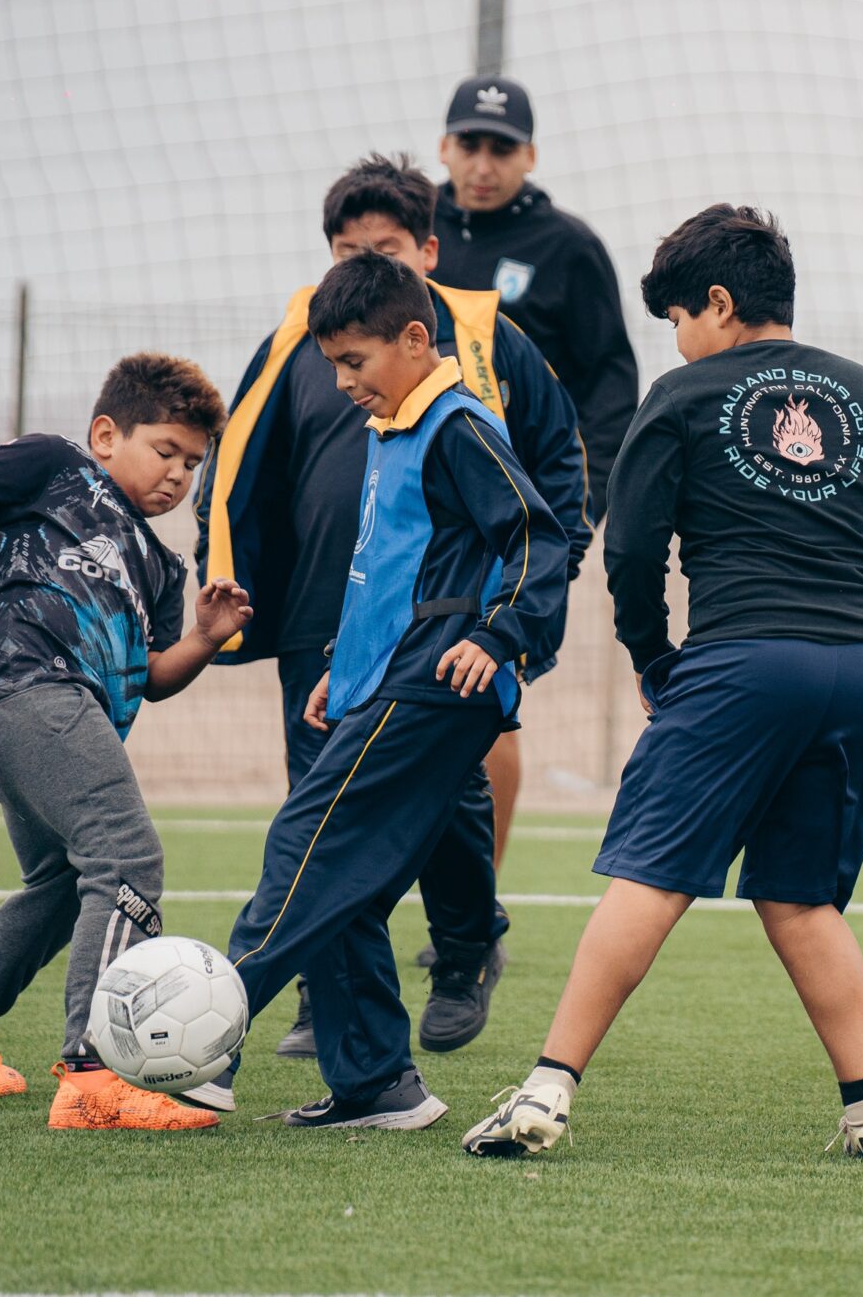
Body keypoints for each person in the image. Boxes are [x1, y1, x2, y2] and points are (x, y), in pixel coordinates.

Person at [465, 205, 863, 1164]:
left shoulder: (685, 395)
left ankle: (544, 1090)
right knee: (802, 896)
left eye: (680, 316)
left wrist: (658, 661)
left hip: (743, 659)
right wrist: (834, 551)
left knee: (649, 875)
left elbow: (635, 551)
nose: (678, 339)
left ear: (720, 303)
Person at [197, 154, 587, 1058]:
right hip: (345, 643)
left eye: (355, 362)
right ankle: (364, 1060)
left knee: (332, 836)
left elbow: (539, 519)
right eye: (347, 250)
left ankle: (217, 1015)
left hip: (434, 656)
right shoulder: (342, 378)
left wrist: (507, 626)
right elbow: (249, 465)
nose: (343, 380)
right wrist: (321, 646)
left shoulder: (458, 401)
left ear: (425, 265)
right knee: (332, 835)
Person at [0, 354, 248, 1132]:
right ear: (106, 433)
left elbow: (149, 675)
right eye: (165, 449)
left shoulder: (162, 563)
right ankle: (93, 1074)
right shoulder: (55, 466)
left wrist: (207, 640)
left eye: (192, 462)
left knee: (56, 888)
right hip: (27, 689)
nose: (178, 474)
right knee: (126, 857)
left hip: (56, 715)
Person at [432, 76, 641, 864]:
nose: (484, 163)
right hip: (413, 509)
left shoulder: (568, 248)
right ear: (445, 147)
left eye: (501, 147)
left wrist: (581, 506)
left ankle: (476, 895)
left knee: (487, 693)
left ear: (530, 154)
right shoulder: (410, 229)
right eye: (470, 144)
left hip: (513, 519)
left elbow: (610, 387)